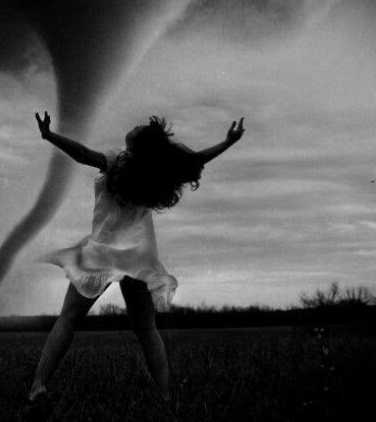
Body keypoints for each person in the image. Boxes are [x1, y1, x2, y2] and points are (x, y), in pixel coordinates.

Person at [27, 111, 245, 407]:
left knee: (68, 319)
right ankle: (166, 396)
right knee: (146, 329)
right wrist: (228, 143)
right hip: (137, 259)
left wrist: (50, 136)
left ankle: (38, 387)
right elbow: (196, 160)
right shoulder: (153, 171)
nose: (134, 124)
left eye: (139, 127)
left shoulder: (119, 159)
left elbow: (82, 154)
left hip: (102, 254)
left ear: (139, 143)